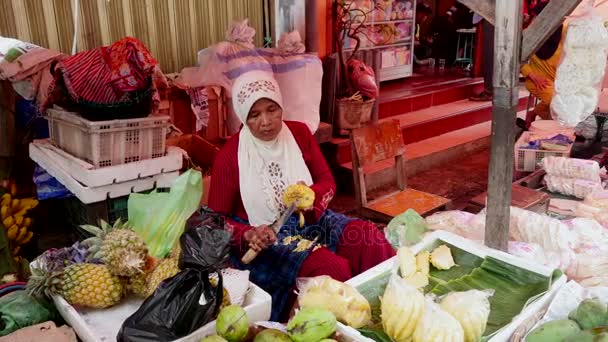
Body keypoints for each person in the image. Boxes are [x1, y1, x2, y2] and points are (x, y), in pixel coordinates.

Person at [208, 71, 395, 322]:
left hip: (310, 218)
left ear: (280, 105)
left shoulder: (299, 134)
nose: (266, 121)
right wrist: (248, 234)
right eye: (254, 114)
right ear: (243, 115)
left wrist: (311, 196)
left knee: (369, 238)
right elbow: (214, 222)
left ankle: (388, 311)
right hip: (265, 238)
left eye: (272, 109)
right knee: (330, 268)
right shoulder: (230, 156)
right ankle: (333, 327)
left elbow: (327, 182)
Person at [520, 0, 564, 128]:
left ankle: (538, 118)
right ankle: (552, 127)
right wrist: (533, 76)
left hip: (558, 81)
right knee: (555, 102)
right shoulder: (529, 35)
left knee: (568, 101)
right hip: (536, 79)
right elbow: (517, 60)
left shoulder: (563, 31)